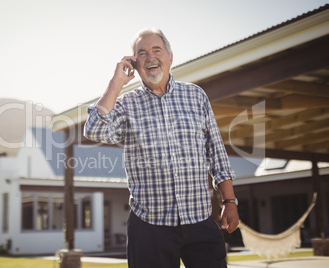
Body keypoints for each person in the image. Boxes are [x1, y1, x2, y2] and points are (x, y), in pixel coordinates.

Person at [84, 28, 239, 268]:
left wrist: (230, 201)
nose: (151, 57)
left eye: (157, 50)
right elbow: (94, 129)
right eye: (142, 53)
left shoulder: (196, 96)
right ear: (134, 63)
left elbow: (216, 153)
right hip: (149, 227)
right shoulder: (126, 104)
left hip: (199, 220)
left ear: (170, 57)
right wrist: (116, 83)